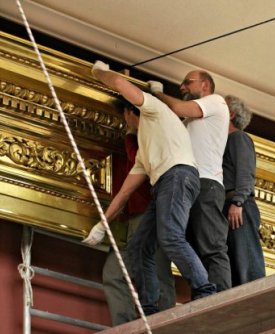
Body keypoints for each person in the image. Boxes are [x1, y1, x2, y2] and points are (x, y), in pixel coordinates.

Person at [83, 60, 216, 316]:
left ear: (130, 113)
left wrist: (99, 72)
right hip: (166, 183)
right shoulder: (145, 148)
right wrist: (102, 226)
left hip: (178, 175)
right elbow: (124, 194)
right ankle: (149, 304)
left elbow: (121, 83)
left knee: (170, 237)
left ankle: (204, 289)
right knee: (139, 246)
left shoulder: (155, 110)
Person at [149, 70, 232, 292]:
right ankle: (204, 294)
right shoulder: (189, 120)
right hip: (192, 182)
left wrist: (158, 93)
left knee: (211, 246)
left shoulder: (215, 102)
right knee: (191, 244)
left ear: (205, 85)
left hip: (207, 183)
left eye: (187, 82)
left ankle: (221, 298)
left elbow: (176, 107)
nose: (182, 87)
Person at [100, 97, 175, 325]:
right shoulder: (136, 141)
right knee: (115, 274)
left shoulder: (152, 138)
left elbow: (140, 165)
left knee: (158, 273)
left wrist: (131, 134)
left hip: (152, 218)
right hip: (133, 222)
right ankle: (126, 328)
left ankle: (163, 326)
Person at [222, 95, 265, 286]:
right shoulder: (223, 142)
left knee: (244, 259)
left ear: (230, 114)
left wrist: (238, 201)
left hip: (238, 206)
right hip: (229, 205)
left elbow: (246, 173)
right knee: (234, 260)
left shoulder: (238, 137)